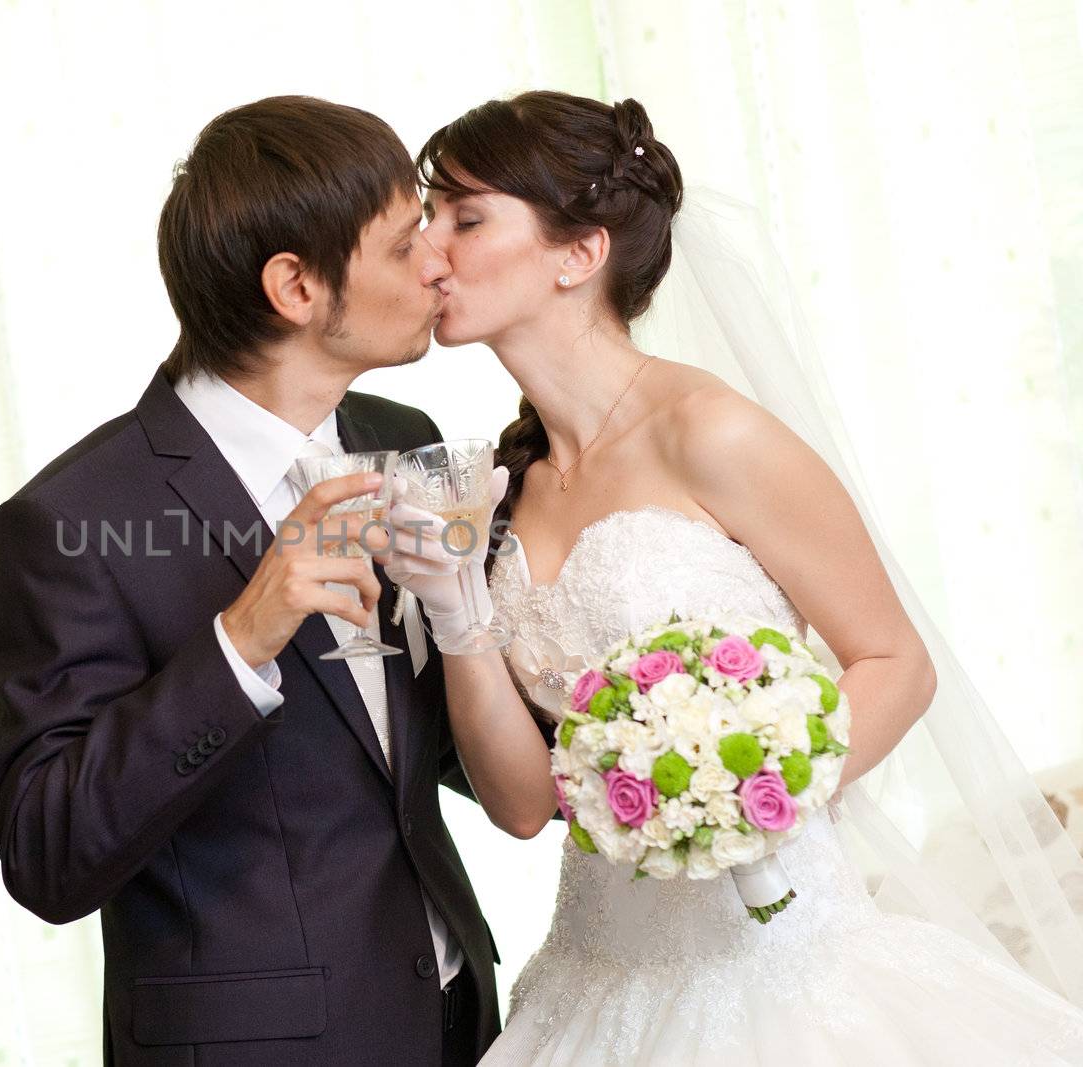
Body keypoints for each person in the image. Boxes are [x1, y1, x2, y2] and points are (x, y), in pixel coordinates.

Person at [386, 89, 1083, 1065]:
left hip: (783, 969)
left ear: (578, 252)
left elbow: (895, 659)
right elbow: (520, 804)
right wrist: (456, 609)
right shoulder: (506, 489)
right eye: (427, 220)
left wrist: (746, 793)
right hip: (592, 984)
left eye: (464, 217)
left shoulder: (706, 431)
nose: (430, 251)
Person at [0, 96, 503, 1066]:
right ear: (296, 286)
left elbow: (436, 749)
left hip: (458, 1018)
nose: (438, 261)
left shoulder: (402, 438)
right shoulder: (70, 520)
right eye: (403, 243)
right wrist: (240, 639)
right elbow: (46, 856)